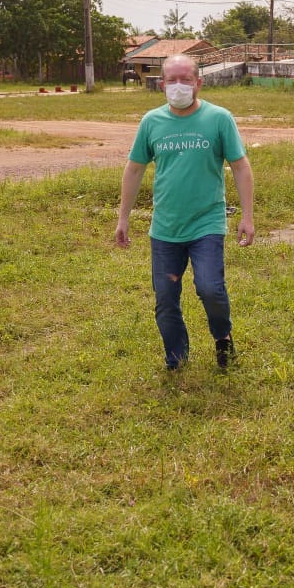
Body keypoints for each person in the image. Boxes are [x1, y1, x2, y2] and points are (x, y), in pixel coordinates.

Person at [115, 53, 254, 370]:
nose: (179, 86)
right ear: (161, 84)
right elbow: (135, 169)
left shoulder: (219, 119)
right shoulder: (152, 122)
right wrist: (123, 218)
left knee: (210, 289)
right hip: (165, 227)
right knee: (165, 299)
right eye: (172, 80)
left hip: (207, 222)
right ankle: (176, 357)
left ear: (199, 83)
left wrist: (247, 216)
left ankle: (223, 338)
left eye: (186, 79)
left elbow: (240, 166)